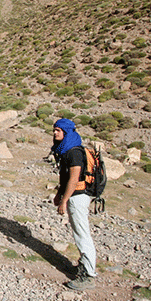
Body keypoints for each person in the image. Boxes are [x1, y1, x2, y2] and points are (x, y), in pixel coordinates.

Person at [51, 118, 97, 291]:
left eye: (58, 130)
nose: (55, 133)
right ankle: (85, 266)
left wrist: (64, 200)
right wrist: (59, 194)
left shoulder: (74, 152)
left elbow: (74, 178)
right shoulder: (67, 150)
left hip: (78, 196)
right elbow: (64, 178)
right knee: (80, 232)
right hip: (74, 195)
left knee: (82, 234)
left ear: (66, 132)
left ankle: (89, 275)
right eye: (54, 130)